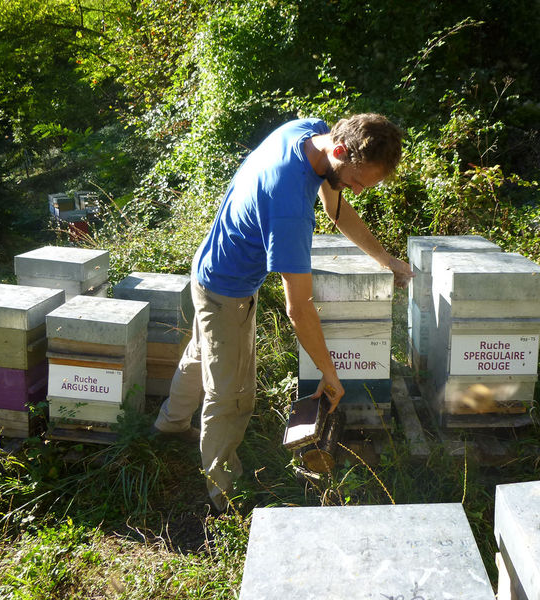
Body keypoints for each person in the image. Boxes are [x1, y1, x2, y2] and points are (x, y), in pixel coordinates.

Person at [153, 113, 413, 511]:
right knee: (232, 394)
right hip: (229, 290)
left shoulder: (310, 132)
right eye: (358, 181)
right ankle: (227, 497)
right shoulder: (290, 205)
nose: (358, 191)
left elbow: (337, 209)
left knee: (204, 351)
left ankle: (169, 425)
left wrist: (384, 258)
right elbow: (299, 308)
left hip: (208, 268)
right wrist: (329, 372)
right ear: (340, 150)